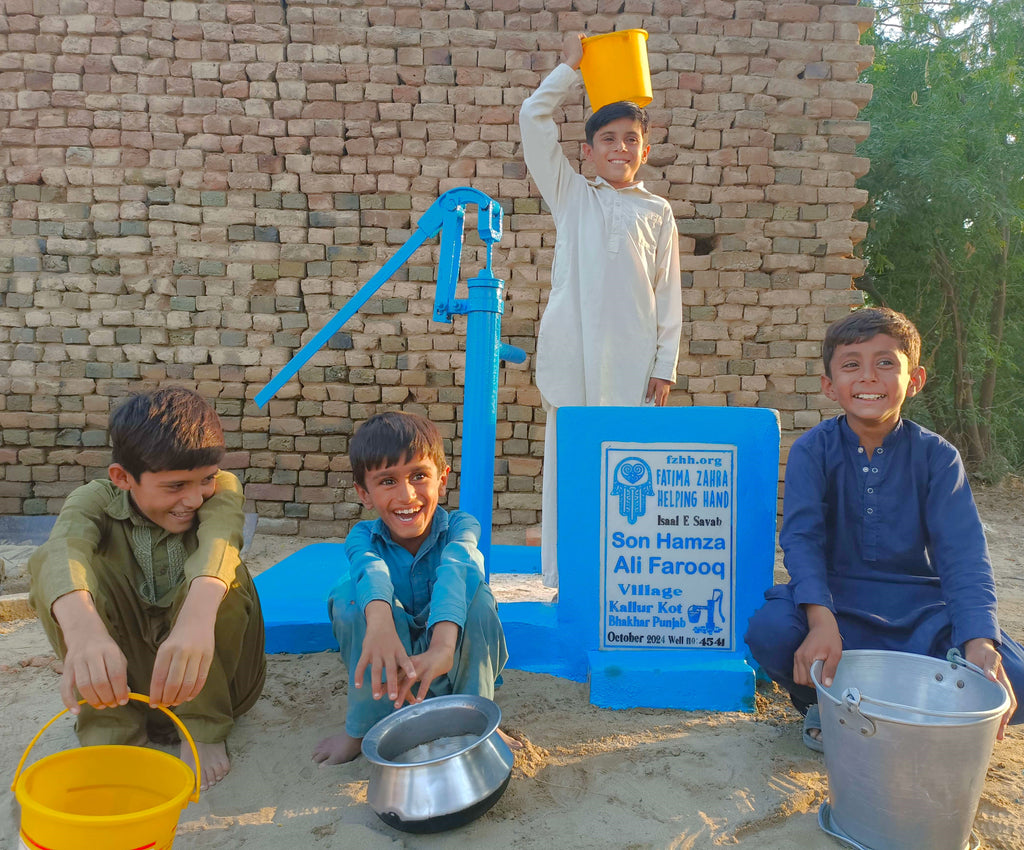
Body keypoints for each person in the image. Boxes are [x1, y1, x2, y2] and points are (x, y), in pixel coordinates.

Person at [745, 307, 1022, 750]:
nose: (869, 377)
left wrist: (979, 641)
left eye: (886, 363)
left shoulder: (937, 456)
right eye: (852, 365)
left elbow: (963, 556)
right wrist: (821, 620)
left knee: (1012, 679)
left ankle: (914, 714)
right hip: (838, 603)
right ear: (829, 386)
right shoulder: (812, 450)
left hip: (918, 608)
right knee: (772, 631)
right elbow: (802, 541)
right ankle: (828, 706)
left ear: (915, 380)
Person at [28, 387, 266, 790]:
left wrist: (196, 618)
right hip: (133, 687)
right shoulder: (94, 501)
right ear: (123, 478)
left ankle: (202, 728)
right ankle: (113, 728)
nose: (193, 498)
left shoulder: (222, 489)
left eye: (204, 480)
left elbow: (220, 538)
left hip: (223, 685)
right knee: (60, 574)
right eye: (175, 486)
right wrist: (84, 633)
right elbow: (61, 551)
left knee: (224, 575)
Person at [519, 31, 683, 588]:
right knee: (572, 467)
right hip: (573, 356)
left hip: (635, 362)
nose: (619, 148)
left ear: (646, 146)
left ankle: (626, 578)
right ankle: (567, 576)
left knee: (631, 470)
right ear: (587, 151)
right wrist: (571, 68)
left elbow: (668, 293)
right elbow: (532, 118)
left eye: (630, 138)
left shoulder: (658, 213)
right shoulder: (572, 196)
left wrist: (665, 363)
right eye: (607, 139)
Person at [312, 411, 511, 765]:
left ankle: (477, 719)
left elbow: (457, 567)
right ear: (364, 493)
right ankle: (363, 730)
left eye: (419, 476)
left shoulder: (460, 526)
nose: (407, 496)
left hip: (448, 657)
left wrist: (444, 645)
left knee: (478, 597)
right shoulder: (363, 536)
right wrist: (380, 621)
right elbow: (370, 571)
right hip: (393, 661)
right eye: (387, 481)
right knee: (348, 599)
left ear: (442, 480)